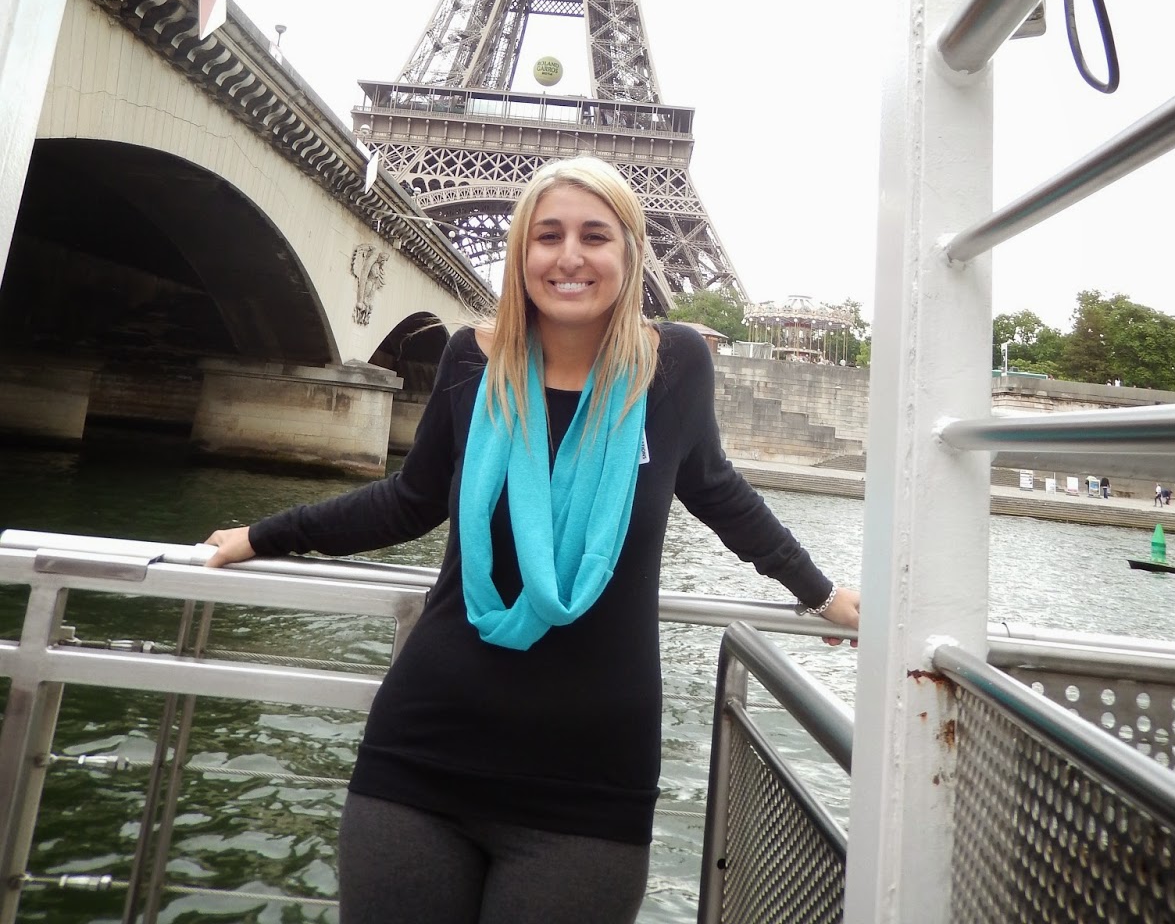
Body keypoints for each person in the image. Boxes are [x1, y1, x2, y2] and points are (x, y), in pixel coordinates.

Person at [204, 156, 860, 924]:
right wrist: (264, 534)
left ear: (631, 251)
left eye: (594, 236)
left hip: (591, 781)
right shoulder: (470, 359)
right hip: (423, 755)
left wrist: (821, 593)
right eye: (548, 236)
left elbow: (718, 492)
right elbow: (410, 501)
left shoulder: (674, 365)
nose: (570, 257)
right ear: (520, 253)